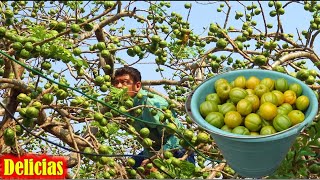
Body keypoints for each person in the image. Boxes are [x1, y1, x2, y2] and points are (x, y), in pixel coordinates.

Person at [112, 66, 195, 168]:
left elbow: (175, 136)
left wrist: (155, 160)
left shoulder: (150, 104)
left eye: (124, 82)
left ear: (137, 86)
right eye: (116, 83)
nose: (119, 86)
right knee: (129, 167)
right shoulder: (126, 107)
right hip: (153, 151)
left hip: (178, 148)